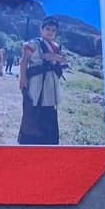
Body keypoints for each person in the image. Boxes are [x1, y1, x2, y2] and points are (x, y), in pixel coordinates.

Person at [18, 16, 65, 145]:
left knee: (49, 110)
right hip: (37, 82)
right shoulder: (34, 43)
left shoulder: (56, 46)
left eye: (53, 30)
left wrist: (56, 58)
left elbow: (61, 61)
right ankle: (30, 140)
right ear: (41, 29)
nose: (50, 32)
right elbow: (24, 61)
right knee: (33, 109)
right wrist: (22, 78)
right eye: (48, 29)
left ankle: (48, 141)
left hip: (51, 83)